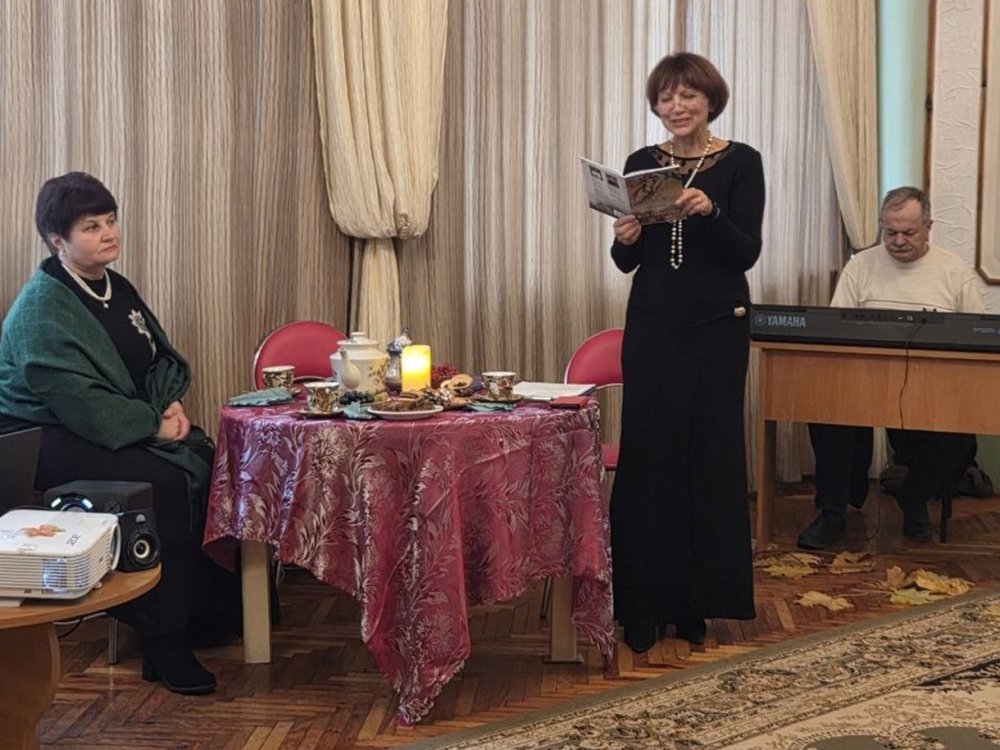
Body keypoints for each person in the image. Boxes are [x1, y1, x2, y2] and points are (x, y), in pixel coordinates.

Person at [0, 172, 240, 694]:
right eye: (91, 226)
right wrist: (153, 425)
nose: (109, 233)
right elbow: (79, 401)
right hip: (43, 435)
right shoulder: (40, 309)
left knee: (205, 457)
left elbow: (152, 360)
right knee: (161, 483)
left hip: (113, 417)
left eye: (110, 220)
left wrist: (169, 403)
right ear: (57, 240)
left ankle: (206, 612)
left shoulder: (114, 285)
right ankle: (163, 640)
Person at [609, 53, 765, 653]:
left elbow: (745, 253)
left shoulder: (742, 161)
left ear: (710, 100)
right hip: (653, 325)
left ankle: (696, 603)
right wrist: (624, 239)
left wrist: (712, 211)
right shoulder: (640, 164)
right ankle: (642, 605)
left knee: (708, 456)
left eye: (687, 96)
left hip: (717, 327)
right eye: (665, 98)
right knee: (650, 455)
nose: (676, 107)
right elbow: (629, 262)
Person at [797, 186, 983, 550]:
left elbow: (977, 334)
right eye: (890, 231)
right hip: (863, 384)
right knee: (824, 412)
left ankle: (914, 497)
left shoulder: (953, 271)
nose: (898, 241)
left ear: (928, 227)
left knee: (960, 434)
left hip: (932, 388)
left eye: (909, 232)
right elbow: (835, 329)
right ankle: (832, 513)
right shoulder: (860, 266)